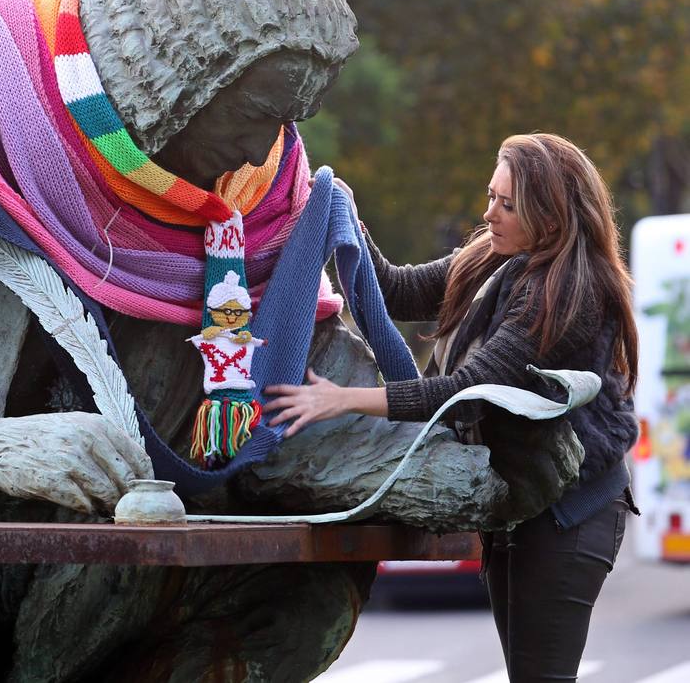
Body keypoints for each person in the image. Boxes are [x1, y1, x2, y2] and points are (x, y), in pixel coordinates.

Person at [266, 132, 640, 682]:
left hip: (571, 512)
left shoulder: (570, 294)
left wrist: (340, 399)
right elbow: (394, 290)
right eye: (491, 195)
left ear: (552, 221)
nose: (489, 213)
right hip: (521, 499)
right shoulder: (492, 258)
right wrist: (341, 208)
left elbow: (466, 394)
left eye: (506, 205)